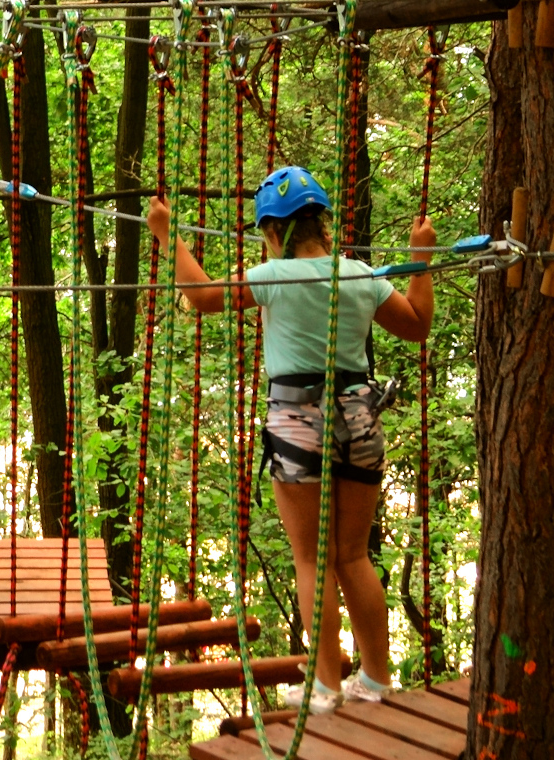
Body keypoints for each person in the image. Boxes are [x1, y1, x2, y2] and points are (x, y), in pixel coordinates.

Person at [148, 165, 436, 711]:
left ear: (274, 233)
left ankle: (326, 686)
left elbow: (204, 297)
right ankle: (376, 680)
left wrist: (169, 237)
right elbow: (418, 324)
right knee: (353, 556)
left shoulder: (273, 276)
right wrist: (421, 260)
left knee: (313, 559)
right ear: (323, 224)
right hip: (359, 416)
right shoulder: (360, 275)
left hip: (298, 419)